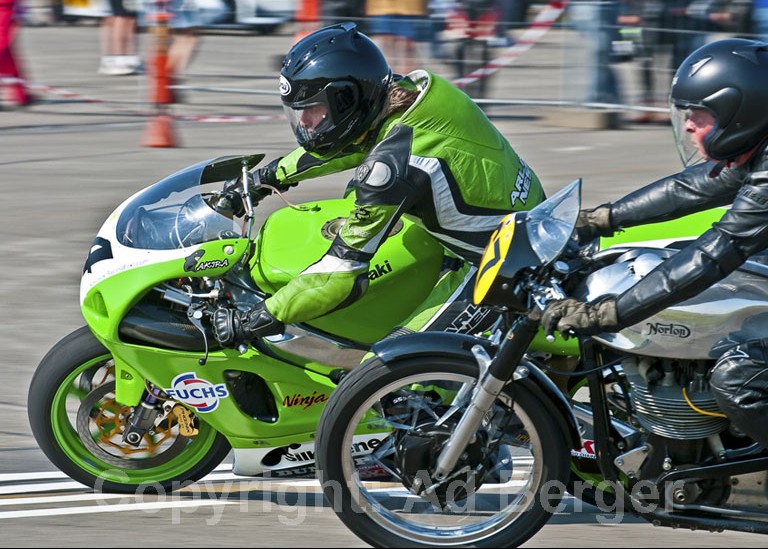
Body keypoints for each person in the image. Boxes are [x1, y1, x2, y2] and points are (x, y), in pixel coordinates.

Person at [212, 22, 545, 352]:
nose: (303, 123)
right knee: (358, 195)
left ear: (347, 101)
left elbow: (338, 276)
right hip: (526, 221)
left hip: (505, 266)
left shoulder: (391, 166)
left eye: (313, 109)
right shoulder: (415, 94)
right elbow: (354, 144)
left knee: (392, 374)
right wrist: (266, 177)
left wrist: (255, 319)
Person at [541, 38, 768, 450]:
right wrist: (600, 219)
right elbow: (692, 187)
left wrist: (608, 313)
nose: (687, 125)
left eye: (699, 114)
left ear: (740, 113)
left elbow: (715, 253)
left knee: (740, 376)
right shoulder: (758, 149)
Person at [0, 0, 31, 107]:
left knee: (2, 48)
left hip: (6, 7)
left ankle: (20, 94)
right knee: (7, 55)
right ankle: (20, 94)